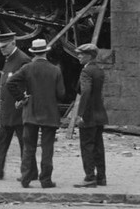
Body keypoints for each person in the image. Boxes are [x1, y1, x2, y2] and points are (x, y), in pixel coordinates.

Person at [7, 38, 66, 188]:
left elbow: (10, 82)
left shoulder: (27, 68)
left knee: (29, 147)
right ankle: (45, 180)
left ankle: (26, 178)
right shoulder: (56, 70)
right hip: (50, 114)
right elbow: (61, 94)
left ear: (34, 52)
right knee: (47, 149)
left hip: (31, 112)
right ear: (46, 52)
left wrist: (21, 97)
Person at [0, 33, 30, 180]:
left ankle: (27, 172)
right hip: (8, 110)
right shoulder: (10, 58)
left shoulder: (23, 60)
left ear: (13, 43)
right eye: (0, 47)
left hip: (18, 109)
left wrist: (22, 101)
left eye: (4, 46)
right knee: (1, 140)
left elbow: (28, 84)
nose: (2, 49)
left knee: (24, 142)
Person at [72, 43, 108, 188]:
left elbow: (85, 92)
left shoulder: (86, 72)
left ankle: (89, 177)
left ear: (89, 56)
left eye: (81, 54)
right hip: (100, 113)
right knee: (99, 146)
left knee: (87, 146)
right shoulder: (99, 70)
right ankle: (101, 177)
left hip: (89, 115)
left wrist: (80, 114)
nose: (79, 56)